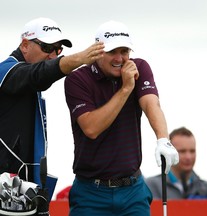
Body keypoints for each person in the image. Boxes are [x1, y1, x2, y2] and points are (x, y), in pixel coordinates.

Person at [64, 20, 179, 215]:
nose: (119, 58)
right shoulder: (77, 79)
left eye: (124, 51)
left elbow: (151, 103)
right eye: (112, 52)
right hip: (91, 192)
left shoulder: (139, 68)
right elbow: (91, 128)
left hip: (132, 191)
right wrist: (126, 88)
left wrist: (163, 139)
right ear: (98, 51)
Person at [0, 17, 105, 185]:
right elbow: (38, 74)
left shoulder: (28, 82)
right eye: (47, 47)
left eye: (58, 50)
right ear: (25, 45)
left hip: (22, 186)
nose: (53, 55)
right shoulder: (5, 71)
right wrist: (79, 59)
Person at [146, 126, 207, 199]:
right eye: (182, 151)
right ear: (170, 152)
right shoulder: (150, 187)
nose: (188, 157)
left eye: (192, 151)